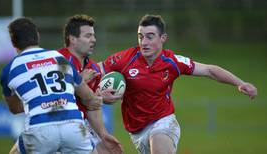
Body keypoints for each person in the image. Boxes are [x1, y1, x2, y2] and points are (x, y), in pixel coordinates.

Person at [98, 14, 258, 154]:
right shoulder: (125, 58)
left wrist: (240, 83)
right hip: (137, 132)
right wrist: (99, 93)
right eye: (140, 36)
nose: (144, 42)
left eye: (150, 36)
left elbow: (209, 70)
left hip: (163, 122)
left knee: (159, 140)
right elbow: (95, 70)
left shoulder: (172, 62)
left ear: (163, 38)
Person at [1, 17, 122, 154]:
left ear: (13, 43)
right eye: (88, 35)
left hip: (40, 128)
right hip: (73, 126)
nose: (93, 39)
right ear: (38, 36)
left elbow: (15, 108)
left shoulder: (9, 69)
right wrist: (97, 97)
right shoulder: (59, 58)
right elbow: (89, 98)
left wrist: (40, 100)